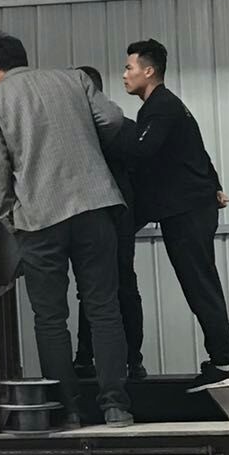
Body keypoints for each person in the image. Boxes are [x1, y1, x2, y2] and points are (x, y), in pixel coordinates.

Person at [0, 33, 134, 428]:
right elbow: (113, 119)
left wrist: (10, 216)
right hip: (95, 206)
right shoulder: (74, 78)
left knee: (50, 318)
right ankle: (116, 406)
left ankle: (70, 410)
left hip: (39, 218)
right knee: (104, 309)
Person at [122, 39, 229, 392]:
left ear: (148, 71)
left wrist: (110, 136)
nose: (124, 74)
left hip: (187, 211)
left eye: (129, 68)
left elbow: (142, 153)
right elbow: (195, 152)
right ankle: (221, 360)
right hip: (190, 206)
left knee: (200, 284)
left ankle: (222, 363)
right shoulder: (167, 106)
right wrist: (214, 185)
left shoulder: (160, 108)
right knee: (201, 282)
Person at [72, 65, 145, 382]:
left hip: (94, 218)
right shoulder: (123, 127)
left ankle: (87, 358)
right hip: (118, 217)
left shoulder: (76, 134)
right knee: (122, 286)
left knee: (94, 289)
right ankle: (131, 360)